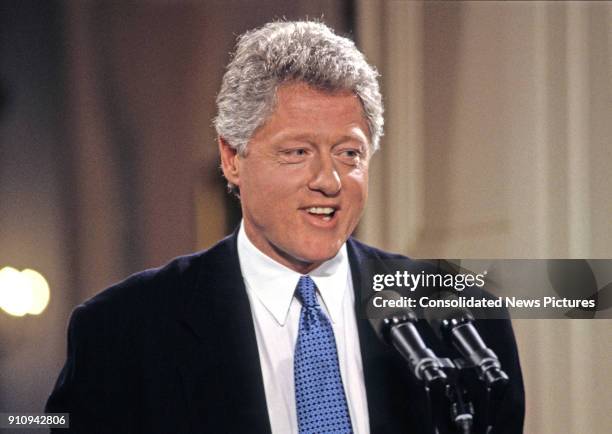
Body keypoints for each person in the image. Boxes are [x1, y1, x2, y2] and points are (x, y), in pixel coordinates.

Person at [47, 21, 524, 434]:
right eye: (297, 152)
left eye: (349, 153)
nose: (328, 181)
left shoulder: (457, 313)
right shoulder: (122, 331)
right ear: (232, 158)